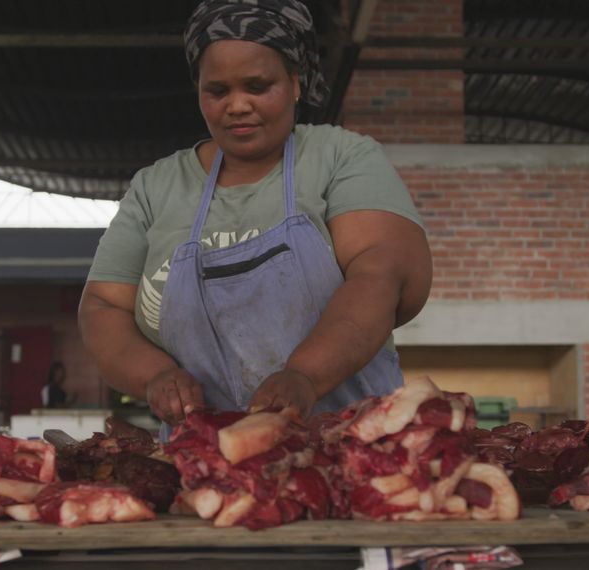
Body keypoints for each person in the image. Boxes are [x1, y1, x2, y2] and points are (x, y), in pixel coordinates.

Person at [79, 0, 432, 431]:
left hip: (355, 451)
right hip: (210, 465)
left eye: (258, 86)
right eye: (218, 91)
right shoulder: (156, 188)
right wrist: (155, 375)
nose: (238, 105)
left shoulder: (340, 158)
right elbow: (102, 306)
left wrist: (307, 374)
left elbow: (384, 272)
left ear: (296, 84)